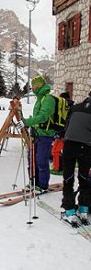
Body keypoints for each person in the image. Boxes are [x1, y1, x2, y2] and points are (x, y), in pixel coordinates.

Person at [17, 76, 56, 192]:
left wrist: (27, 122)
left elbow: (43, 117)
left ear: (39, 86)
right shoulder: (39, 98)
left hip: (45, 134)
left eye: (33, 86)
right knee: (31, 158)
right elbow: (37, 118)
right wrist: (30, 124)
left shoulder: (48, 99)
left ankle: (42, 185)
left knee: (41, 160)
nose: (32, 88)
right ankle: (33, 182)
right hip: (36, 134)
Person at [61, 93, 91, 225]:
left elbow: (66, 126)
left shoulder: (75, 107)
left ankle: (69, 211)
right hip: (86, 147)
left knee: (68, 179)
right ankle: (83, 210)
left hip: (69, 145)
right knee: (84, 178)